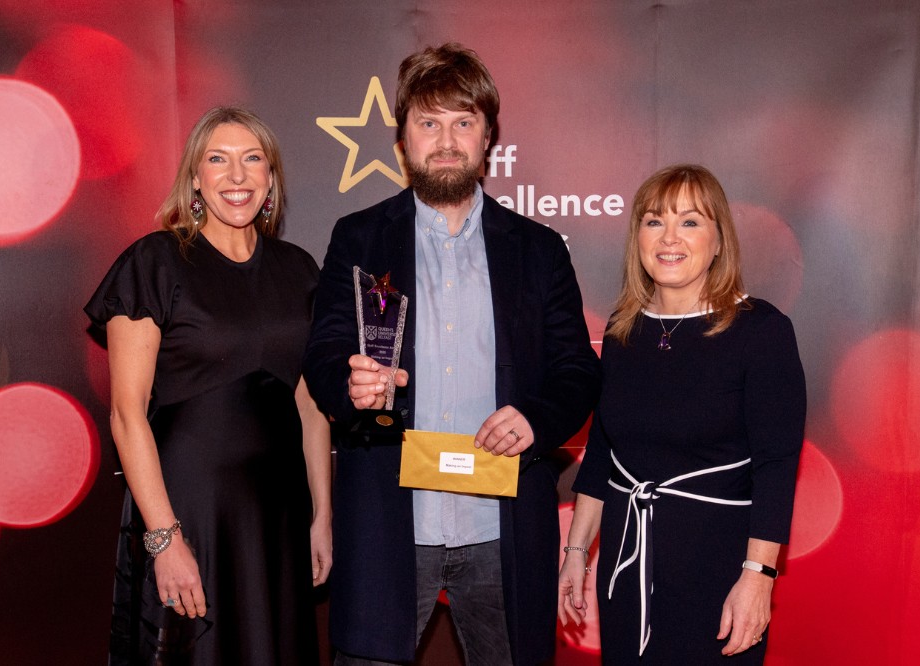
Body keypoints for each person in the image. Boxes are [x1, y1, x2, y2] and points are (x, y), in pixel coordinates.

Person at [302, 43, 601, 666]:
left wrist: (536, 419)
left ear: (487, 136)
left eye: (463, 122)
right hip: (390, 525)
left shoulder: (539, 250)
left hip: (503, 528)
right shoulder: (357, 237)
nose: (446, 140)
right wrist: (348, 383)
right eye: (428, 123)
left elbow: (577, 371)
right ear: (403, 138)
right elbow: (324, 357)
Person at [84, 107, 331, 665]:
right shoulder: (155, 261)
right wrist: (164, 540)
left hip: (279, 517)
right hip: (188, 510)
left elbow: (311, 405)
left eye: (252, 160)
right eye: (217, 160)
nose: (236, 176)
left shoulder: (300, 270)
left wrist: (321, 516)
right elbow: (127, 413)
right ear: (195, 177)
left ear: (270, 179)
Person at [557, 164, 805, 664]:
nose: (670, 238)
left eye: (690, 222)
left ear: (718, 241)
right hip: (628, 568)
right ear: (638, 239)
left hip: (719, 572)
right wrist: (577, 555)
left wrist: (758, 580)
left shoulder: (762, 330)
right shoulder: (624, 332)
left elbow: (776, 468)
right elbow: (604, 455)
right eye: (654, 221)